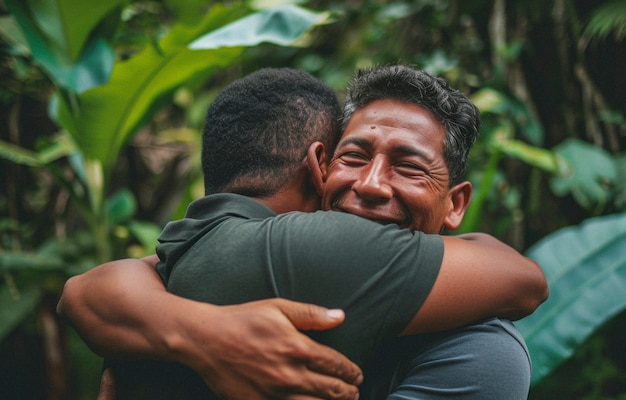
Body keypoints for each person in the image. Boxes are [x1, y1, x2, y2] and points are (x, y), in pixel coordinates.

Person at [58, 66, 548, 399]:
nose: (371, 184)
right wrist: (203, 334)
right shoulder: (274, 254)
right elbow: (92, 288)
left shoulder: (479, 349)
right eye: (353, 157)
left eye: (409, 168)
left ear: (456, 204)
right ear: (320, 170)